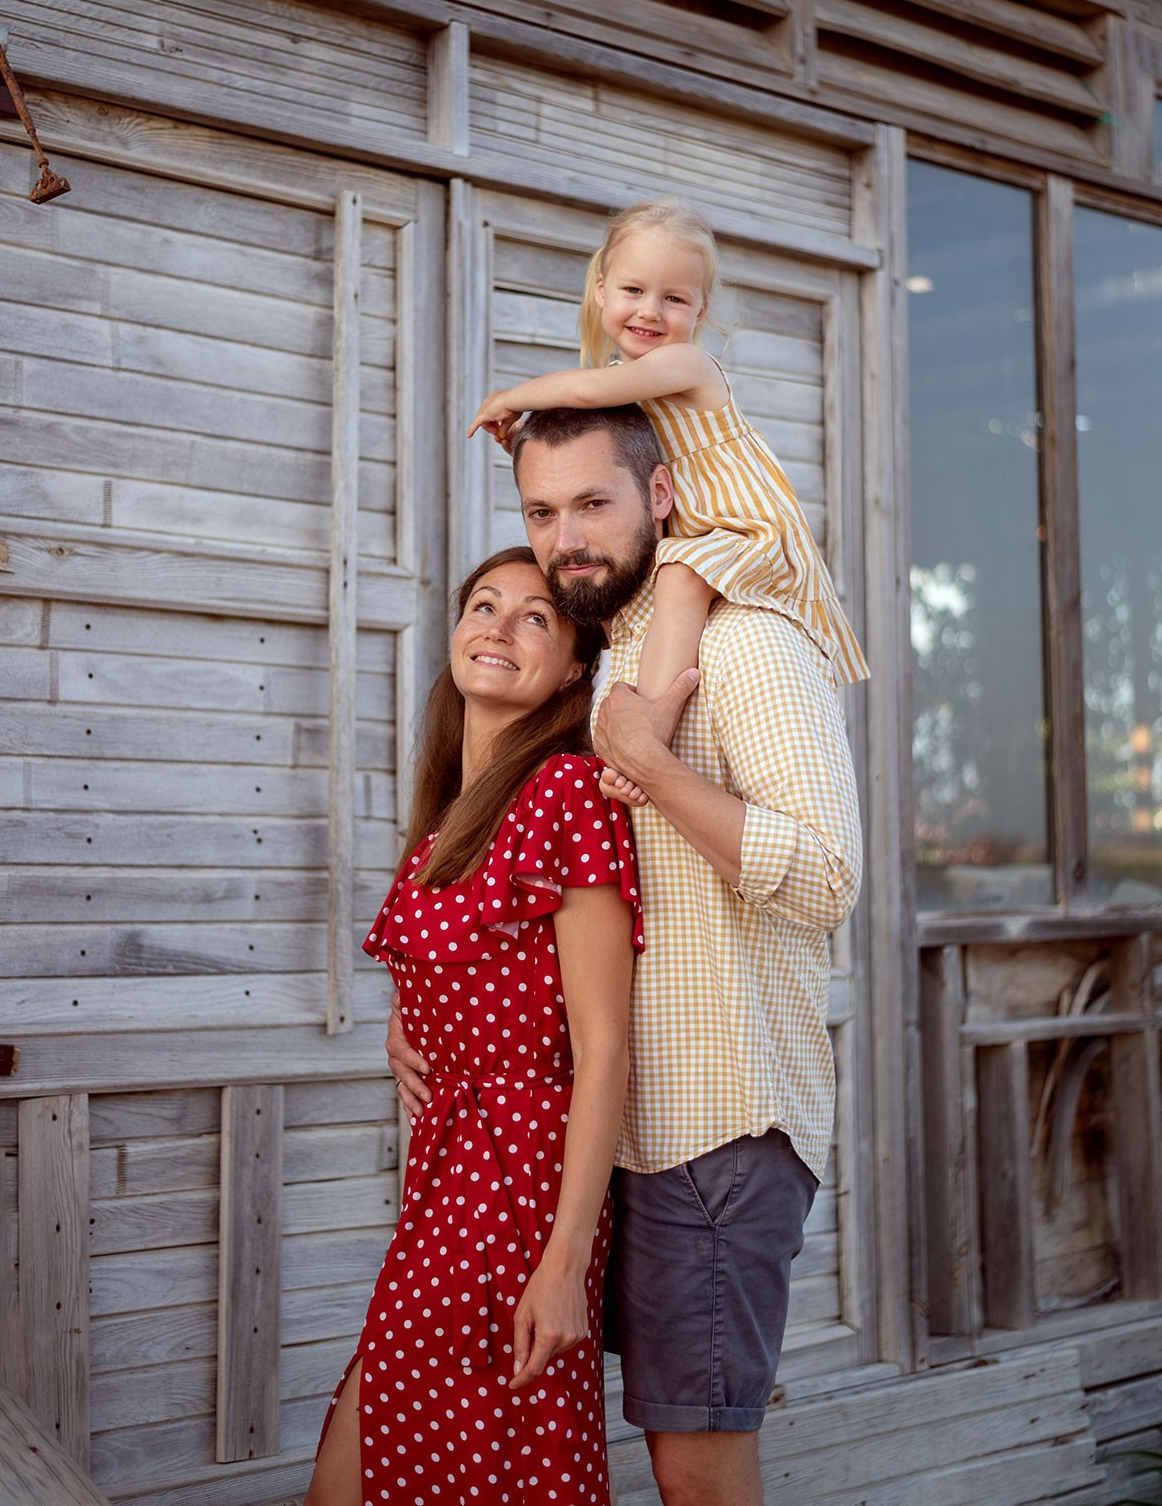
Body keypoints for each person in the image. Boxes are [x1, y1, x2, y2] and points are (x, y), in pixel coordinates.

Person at [392, 408, 863, 1506]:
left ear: (660, 499)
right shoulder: (604, 663)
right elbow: (533, 888)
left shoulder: (747, 646)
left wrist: (655, 765)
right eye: (542, 511)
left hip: (711, 1124)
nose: (567, 539)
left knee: (693, 1466)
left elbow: (831, 875)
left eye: (593, 503)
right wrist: (423, 997)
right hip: (592, 1145)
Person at [306, 547, 641, 1506]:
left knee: (483, 1456)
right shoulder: (449, 814)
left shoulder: (566, 794)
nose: (497, 625)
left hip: (522, 1177)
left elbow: (603, 1045)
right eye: (483, 606)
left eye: (536, 616)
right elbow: (456, 974)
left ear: (577, 666)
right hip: (446, 1170)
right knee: (401, 1445)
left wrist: (566, 1260)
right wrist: (407, 1029)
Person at [468, 199, 868, 804]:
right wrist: (520, 445)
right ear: (601, 291)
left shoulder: (686, 363)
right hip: (698, 533)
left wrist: (512, 396)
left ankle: (648, 727)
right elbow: (597, 472)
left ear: (700, 310)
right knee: (668, 578)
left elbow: (586, 386)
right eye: (634, 289)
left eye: (674, 299)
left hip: (741, 526)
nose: (651, 311)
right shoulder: (628, 384)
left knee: (680, 575)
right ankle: (639, 727)